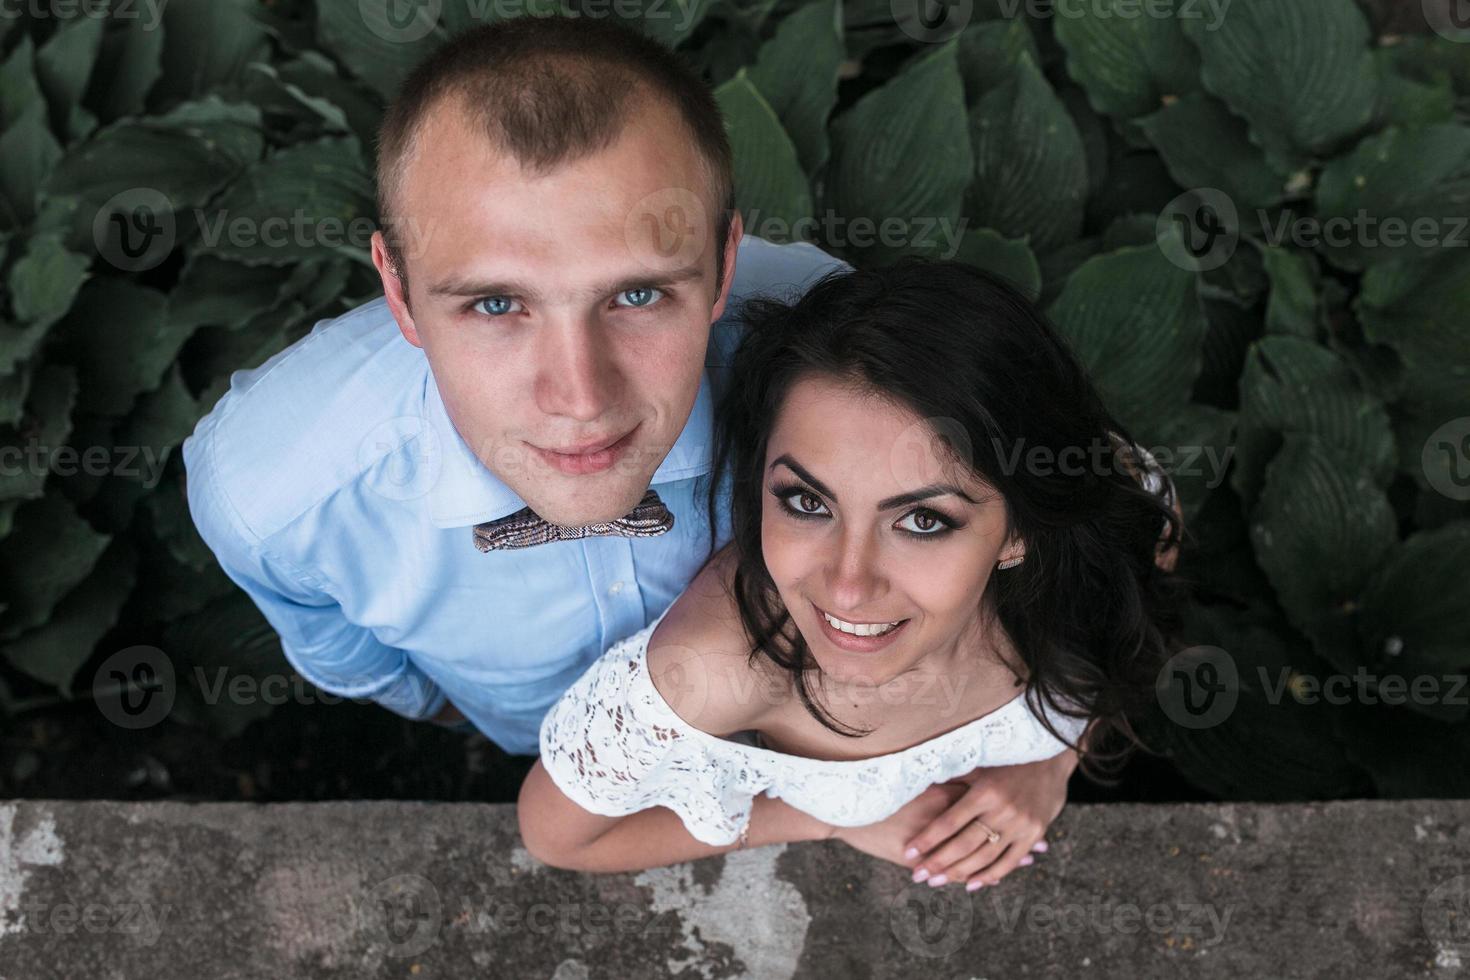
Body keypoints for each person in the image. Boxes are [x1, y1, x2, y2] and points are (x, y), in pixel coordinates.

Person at [182, 16, 1083, 879]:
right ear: (400, 292)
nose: (580, 398)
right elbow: (351, 655)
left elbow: (1087, 503)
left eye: (639, 297)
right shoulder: (271, 491)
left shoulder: (816, 342)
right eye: (496, 305)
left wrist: (1048, 755)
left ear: (727, 265)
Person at [519, 259, 1186, 891]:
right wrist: (829, 819)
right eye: (807, 503)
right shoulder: (714, 668)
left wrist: (1050, 764)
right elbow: (558, 838)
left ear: (1021, 531)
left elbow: (1151, 533)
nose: (847, 586)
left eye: (923, 521)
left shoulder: (1097, 540)